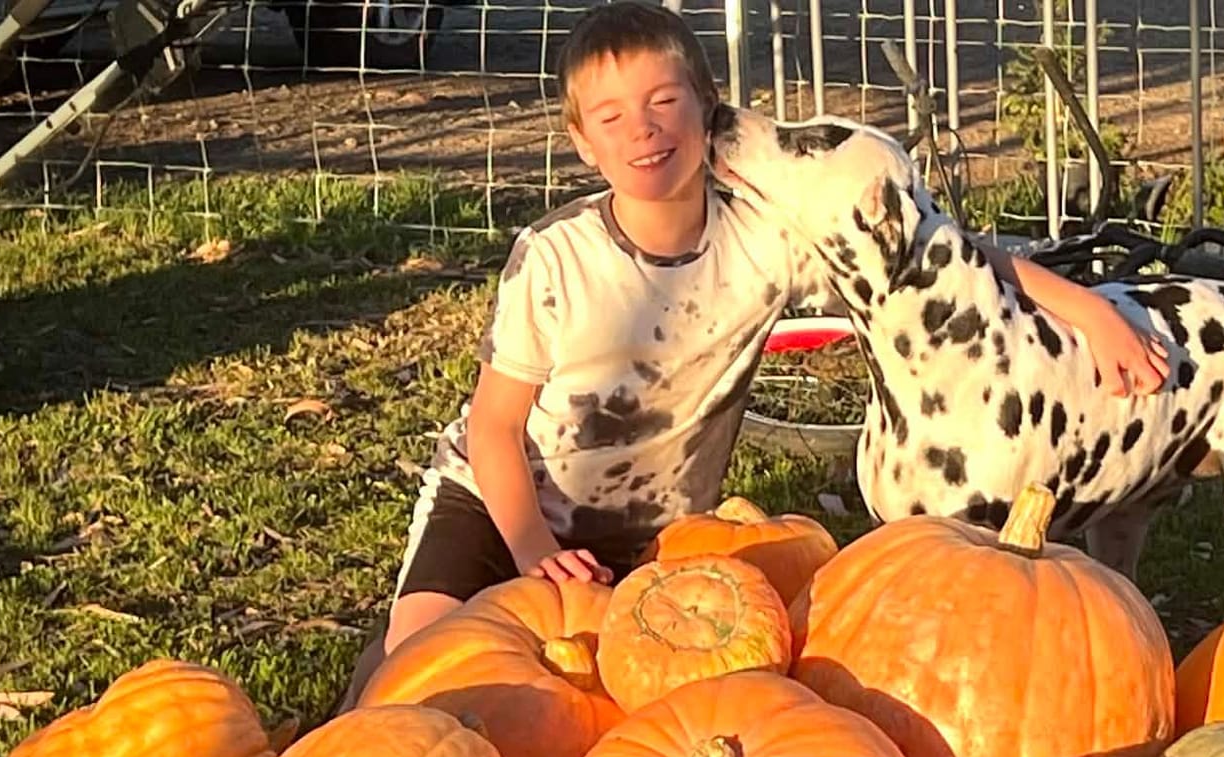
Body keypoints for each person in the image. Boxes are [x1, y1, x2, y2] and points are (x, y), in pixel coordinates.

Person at [344, 0, 1167, 705]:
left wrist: (1086, 309)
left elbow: (941, 253)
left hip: (657, 539)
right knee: (417, 673)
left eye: (665, 100)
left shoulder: (769, 244)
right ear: (582, 142)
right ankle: (348, 716)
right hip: (501, 506)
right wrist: (533, 554)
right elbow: (493, 430)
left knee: (619, 709)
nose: (644, 129)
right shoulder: (554, 258)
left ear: (709, 110)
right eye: (612, 116)